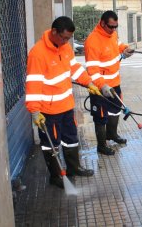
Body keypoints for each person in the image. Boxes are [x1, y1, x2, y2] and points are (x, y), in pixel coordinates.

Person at [25, 16, 102, 188]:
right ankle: (56, 176)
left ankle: (74, 168)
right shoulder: (38, 54)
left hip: (67, 106)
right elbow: (33, 84)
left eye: (68, 39)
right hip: (49, 112)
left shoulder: (65, 48)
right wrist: (35, 111)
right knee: (51, 145)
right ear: (54, 32)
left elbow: (74, 69)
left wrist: (89, 82)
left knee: (71, 139)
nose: (66, 41)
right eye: (64, 38)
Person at [84, 10, 134, 155]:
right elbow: (92, 70)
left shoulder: (112, 35)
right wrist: (102, 85)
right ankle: (101, 145)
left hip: (115, 83)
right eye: (110, 26)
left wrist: (126, 49)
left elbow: (118, 45)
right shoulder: (92, 41)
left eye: (115, 27)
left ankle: (112, 134)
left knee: (115, 111)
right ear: (102, 23)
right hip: (100, 88)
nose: (113, 30)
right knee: (100, 116)